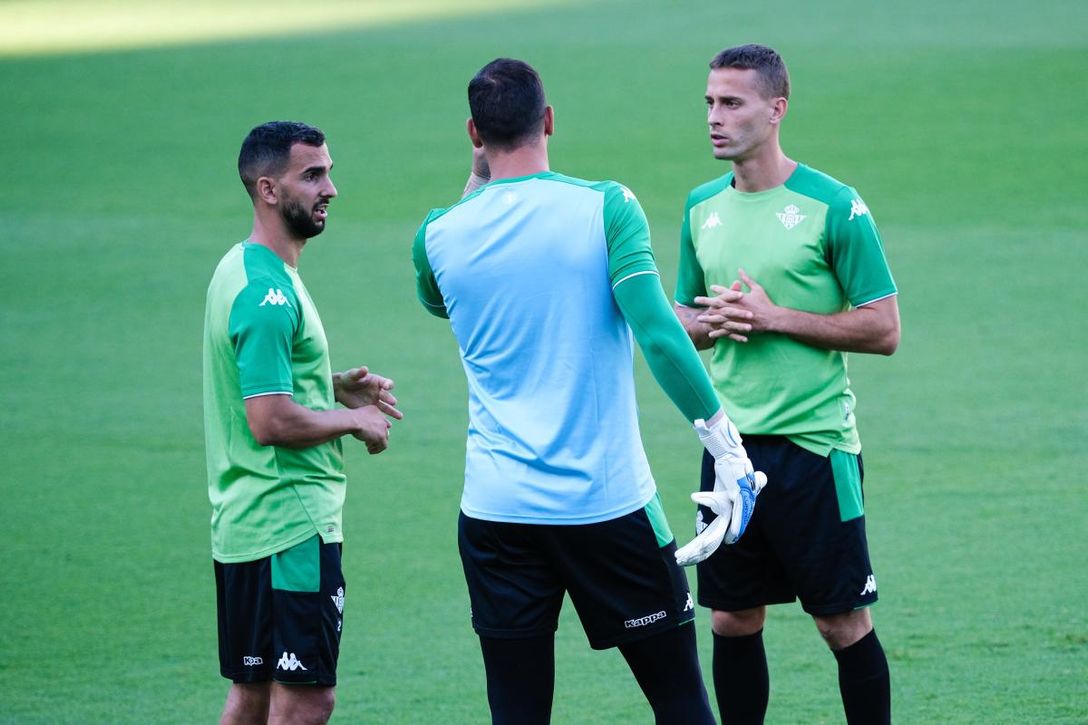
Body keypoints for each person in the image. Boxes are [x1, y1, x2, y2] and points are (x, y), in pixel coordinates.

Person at [412, 58, 766, 724]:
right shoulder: (606, 207)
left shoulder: (436, 236)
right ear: (548, 121)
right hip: (606, 507)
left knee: (517, 712)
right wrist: (728, 448)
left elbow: (441, 297)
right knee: (682, 703)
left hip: (495, 513)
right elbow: (660, 335)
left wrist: (478, 178)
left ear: (474, 134)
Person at [673, 44, 900, 724]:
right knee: (732, 617)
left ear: (776, 110)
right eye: (710, 102)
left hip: (816, 449)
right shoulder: (701, 207)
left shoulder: (834, 206)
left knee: (841, 621)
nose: (714, 117)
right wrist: (713, 322)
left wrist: (774, 317)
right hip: (730, 449)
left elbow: (884, 327)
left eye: (732, 103)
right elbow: (682, 323)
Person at [203, 121, 402, 725]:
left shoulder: (241, 268)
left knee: (253, 694)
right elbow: (269, 421)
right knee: (307, 698)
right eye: (312, 175)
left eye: (328, 172)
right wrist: (352, 418)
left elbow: (257, 382)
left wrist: (327, 385)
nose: (330, 189)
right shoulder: (267, 295)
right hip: (289, 525)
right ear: (267, 189)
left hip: (247, 524)